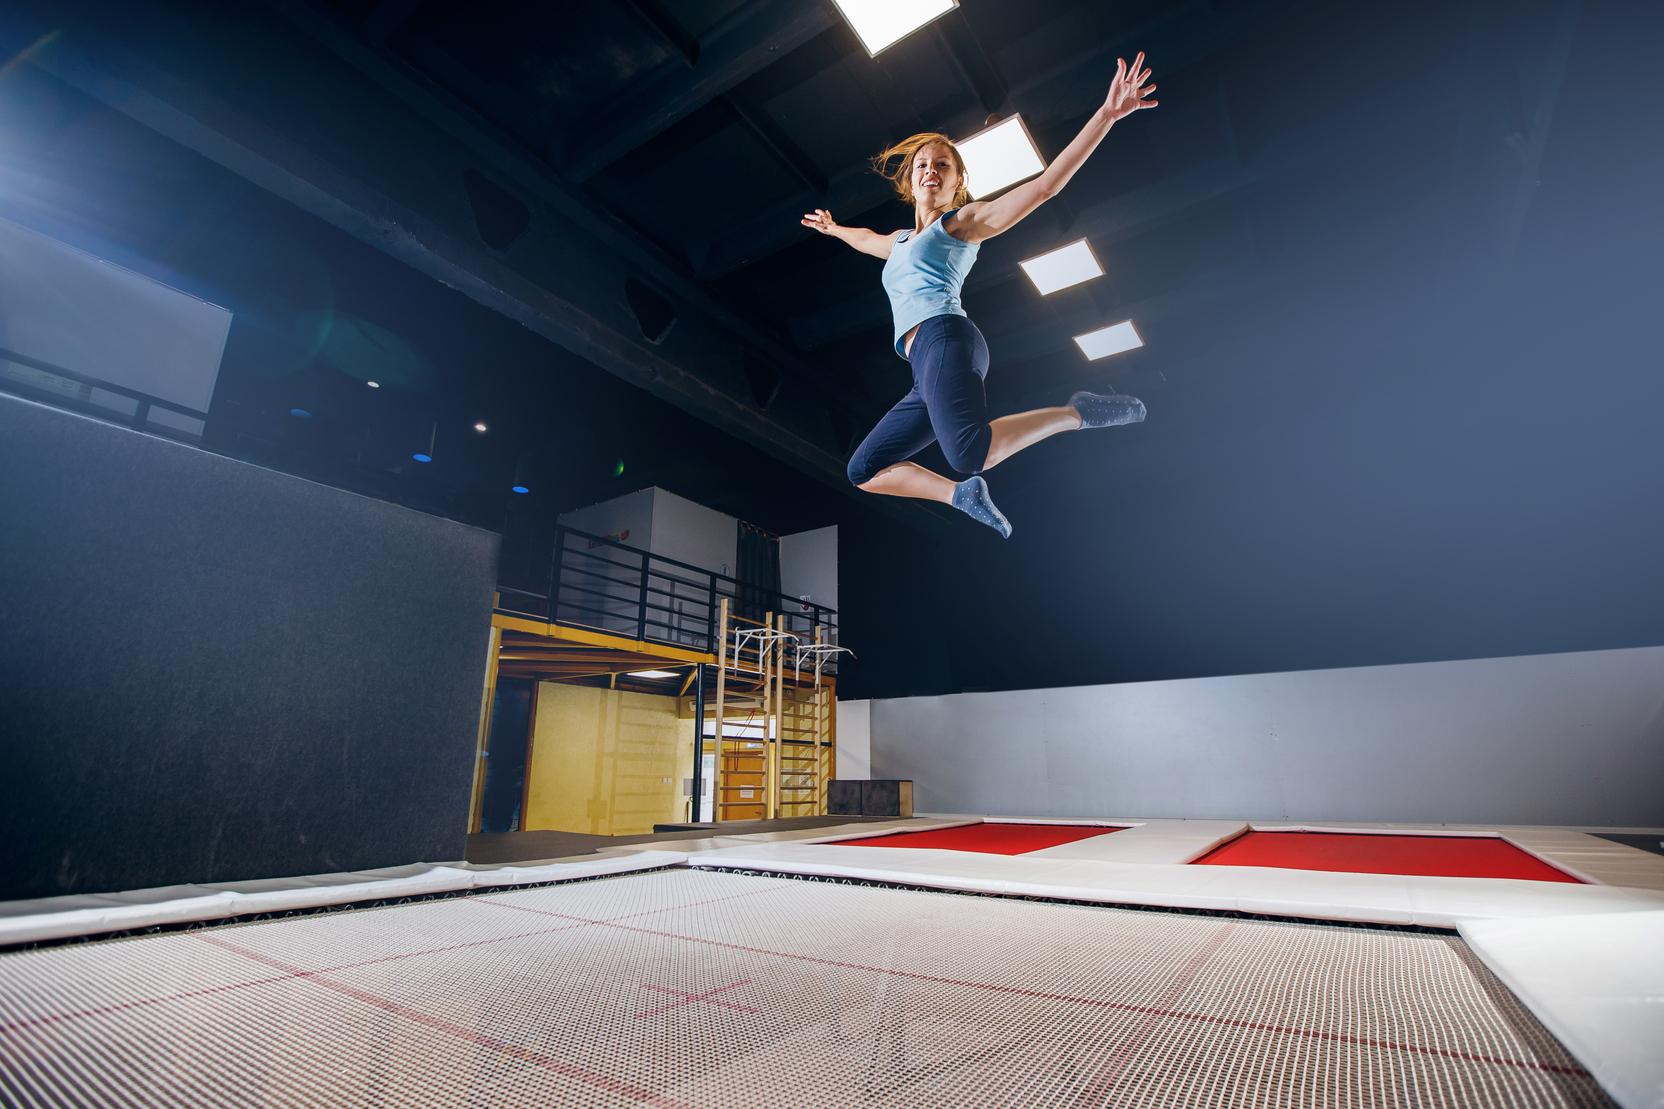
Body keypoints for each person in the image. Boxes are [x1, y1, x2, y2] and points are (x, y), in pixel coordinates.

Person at [803, 53, 1159, 537]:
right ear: (910, 181)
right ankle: (958, 495)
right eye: (922, 164)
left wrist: (1106, 115)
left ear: (956, 182)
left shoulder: (961, 225)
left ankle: (1077, 412)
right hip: (922, 366)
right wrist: (834, 229)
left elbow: (1044, 188)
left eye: (942, 165)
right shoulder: (899, 243)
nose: (931, 170)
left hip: (946, 338)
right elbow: (866, 238)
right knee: (863, 471)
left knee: (969, 452)